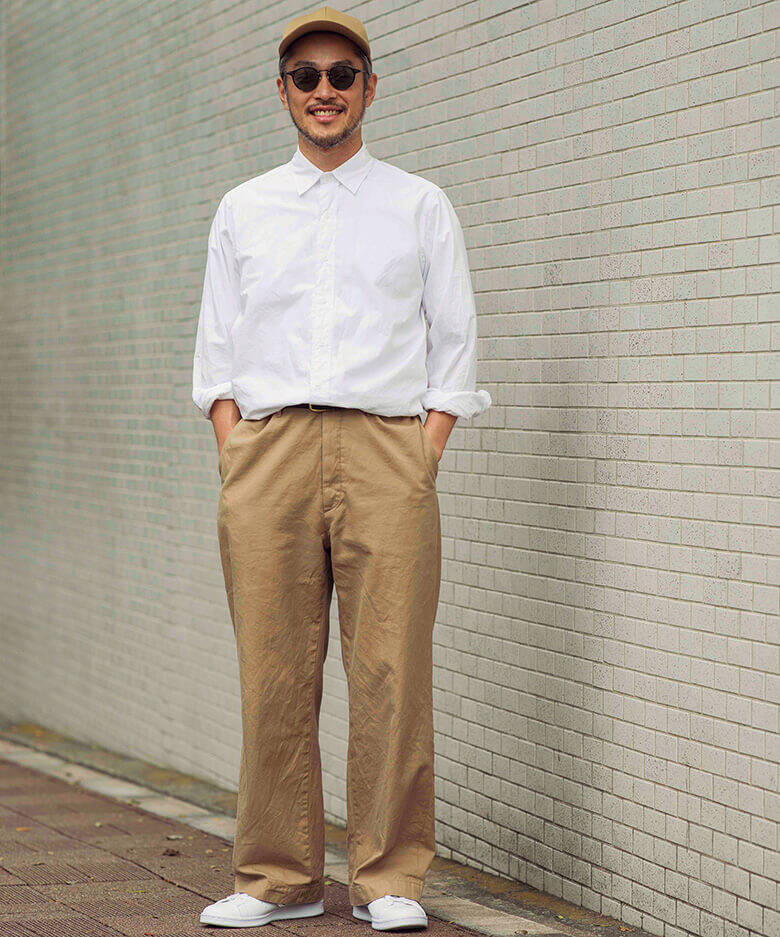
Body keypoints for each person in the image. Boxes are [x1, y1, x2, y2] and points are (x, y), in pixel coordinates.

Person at [193, 6, 491, 931]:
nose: (324, 90)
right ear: (282, 91)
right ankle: (276, 879)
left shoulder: (418, 203)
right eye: (306, 76)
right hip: (270, 449)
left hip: (385, 447)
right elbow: (217, 345)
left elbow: (455, 336)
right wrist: (236, 443)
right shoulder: (244, 207)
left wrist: (423, 448)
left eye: (342, 74)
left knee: (392, 667)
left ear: (370, 87)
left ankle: (388, 878)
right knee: (273, 668)